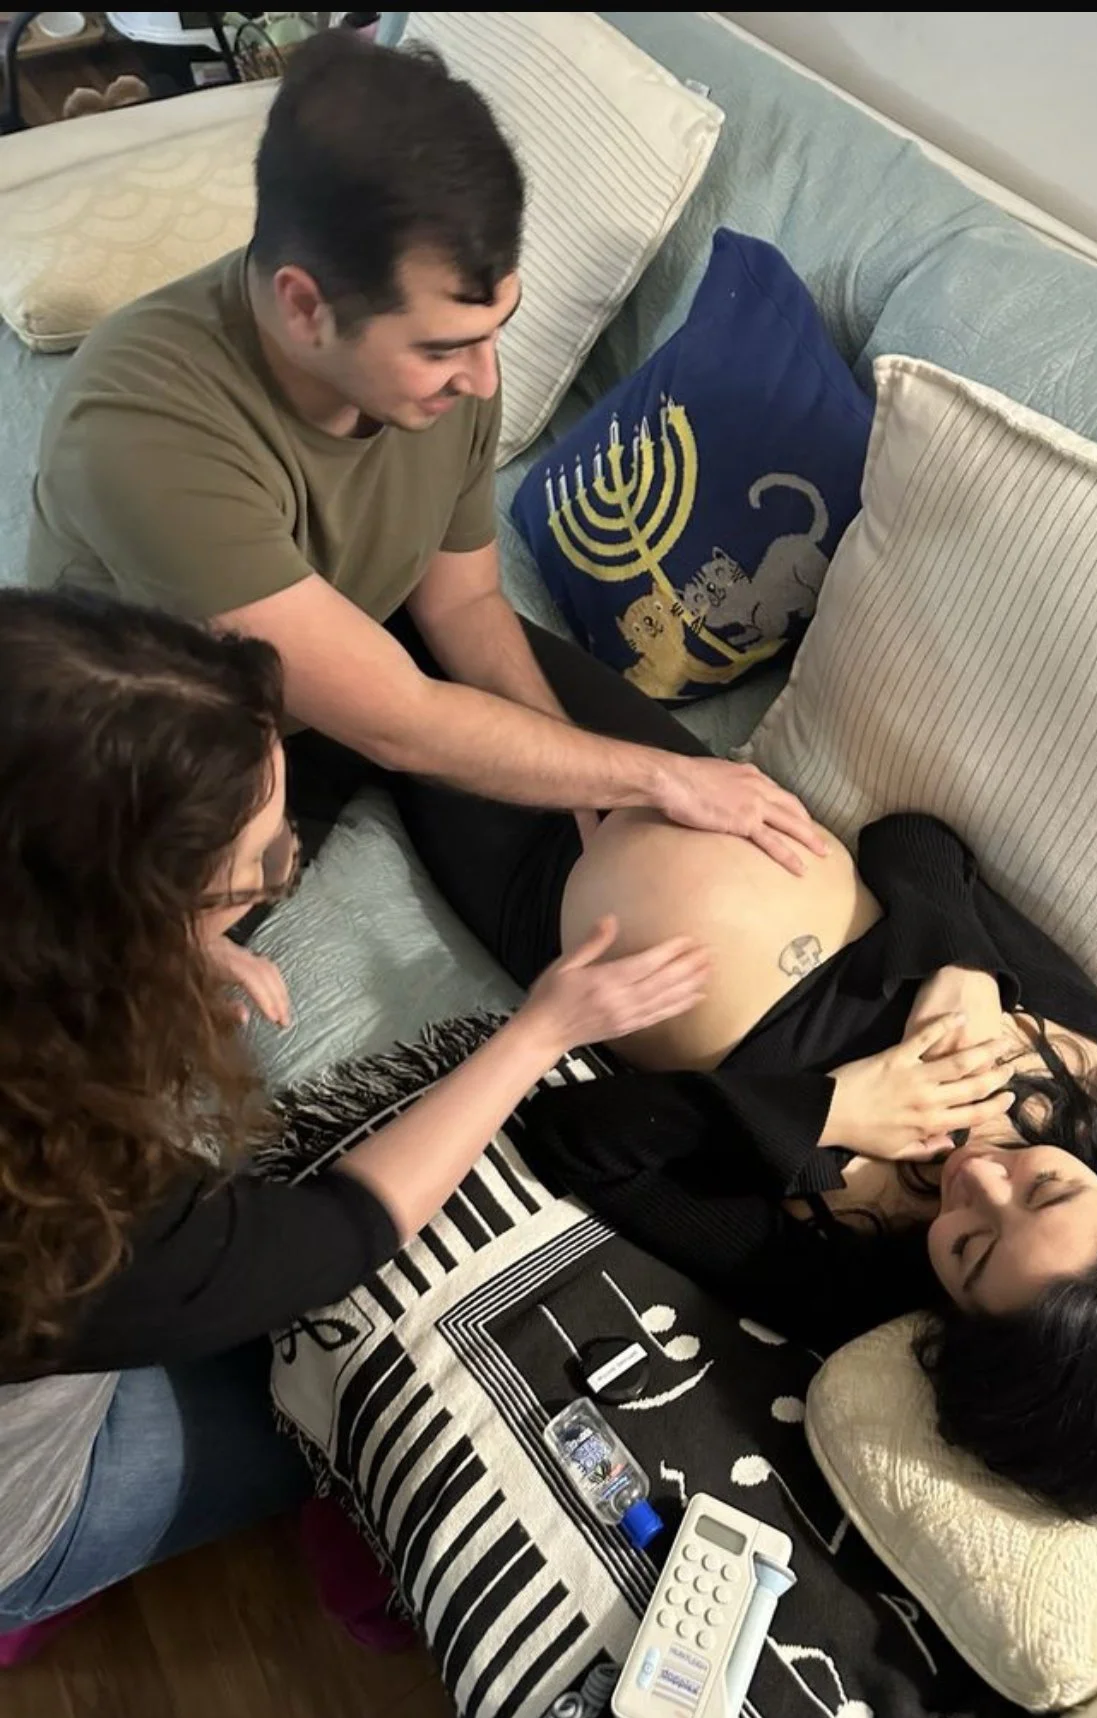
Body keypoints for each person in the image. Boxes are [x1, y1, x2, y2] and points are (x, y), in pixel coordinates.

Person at [26, 28, 823, 975]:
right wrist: (657, 773)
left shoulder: (450, 380)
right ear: (304, 306)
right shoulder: (140, 420)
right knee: (106, 1012)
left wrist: (591, 788)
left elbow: (465, 604)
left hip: (352, 671)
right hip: (165, 760)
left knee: (688, 867)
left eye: (497, 333)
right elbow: (397, 719)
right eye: (442, 348)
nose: (484, 382)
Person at [0, 590, 709, 1650]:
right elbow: (338, 1233)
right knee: (337, 1411)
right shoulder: (70, 1209)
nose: (287, 858)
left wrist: (182, 941)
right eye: (261, 868)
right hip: (25, 1500)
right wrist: (541, 1031)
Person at [513, 807, 1097, 1521]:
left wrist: (828, 1111)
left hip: (554, 903)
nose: (976, 1179)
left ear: (975, 1337)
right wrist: (965, 966)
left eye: (972, 1249)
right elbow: (911, 841)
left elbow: (573, 1140)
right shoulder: (1083, 1059)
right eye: (1046, 1187)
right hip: (700, 797)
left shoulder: (844, 1281)